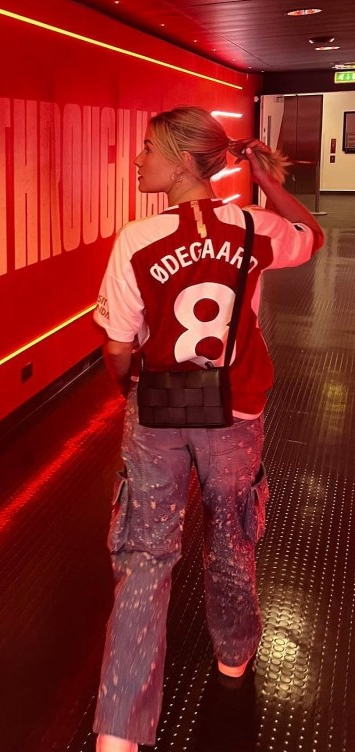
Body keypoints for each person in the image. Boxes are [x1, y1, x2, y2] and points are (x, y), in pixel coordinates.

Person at [91, 106, 324, 752]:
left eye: (147, 148)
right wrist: (264, 177)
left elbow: (116, 347)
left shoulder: (136, 241)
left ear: (184, 162)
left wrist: (131, 390)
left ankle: (119, 732)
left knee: (145, 557)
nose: (137, 159)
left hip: (159, 410)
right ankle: (233, 654)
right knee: (232, 531)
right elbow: (313, 234)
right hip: (236, 410)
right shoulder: (256, 227)